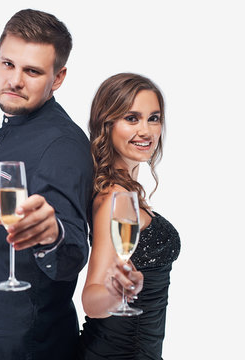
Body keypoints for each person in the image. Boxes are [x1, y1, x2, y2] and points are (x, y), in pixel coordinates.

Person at [0, 9, 141, 360]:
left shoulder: (62, 146)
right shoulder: (13, 128)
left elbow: (71, 252)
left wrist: (52, 233)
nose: (15, 80)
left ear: (58, 78)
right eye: (8, 64)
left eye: (33, 71)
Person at [77, 73, 181, 359]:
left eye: (154, 118)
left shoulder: (128, 193)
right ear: (107, 125)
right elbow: (91, 299)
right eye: (132, 118)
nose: (146, 130)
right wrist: (115, 293)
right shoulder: (114, 197)